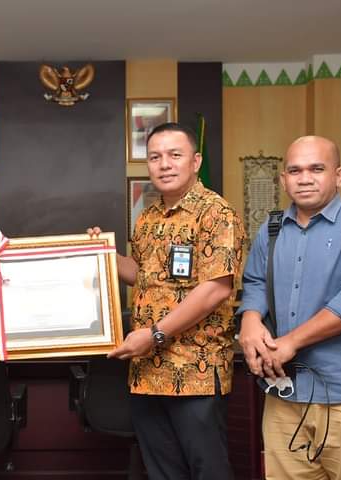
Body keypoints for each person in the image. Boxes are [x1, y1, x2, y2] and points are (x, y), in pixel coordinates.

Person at [91, 122, 245, 479]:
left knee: (207, 471)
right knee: (162, 473)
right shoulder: (148, 216)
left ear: (195, 161)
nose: (164, 165)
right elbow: (142, 274)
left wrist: (155, 334)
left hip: (194, 373)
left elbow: (215, 288)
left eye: (175, 155)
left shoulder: (216, 213)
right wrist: (102, 254)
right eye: (155, 157)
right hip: (147, 372)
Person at [238, 136, 341, 479]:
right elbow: (256, 282)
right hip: (285, 395)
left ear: (339, 176)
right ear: (284, 180)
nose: (305, 178)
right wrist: (250, 320)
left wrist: (290, 342)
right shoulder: (271, 228)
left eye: (316, 169)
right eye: (295, 170)